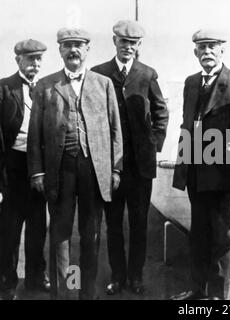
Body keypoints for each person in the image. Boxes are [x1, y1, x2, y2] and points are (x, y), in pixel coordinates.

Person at [27, 28, 123, 300]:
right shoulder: (46, 86)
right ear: (60, 50)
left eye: (78, 45)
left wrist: (115, 168)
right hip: (60, 170)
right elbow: (35, 134)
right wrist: (37, 171)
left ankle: (87, 295)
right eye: (67, 45)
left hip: (94, 171)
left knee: (91, 235)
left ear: (87, 49)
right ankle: (67, 293)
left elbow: (116, 130)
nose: (73, 50)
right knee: (61, 235)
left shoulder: (103, 84)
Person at [171, 29, 230, 300]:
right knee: (198, 234)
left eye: (213, 46)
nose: (207, 51)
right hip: (196, 173)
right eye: (202, 47)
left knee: (222, 237)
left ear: (223, 50)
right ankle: (197, 291)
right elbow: (188, 126)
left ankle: (218, 296)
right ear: (195, 52)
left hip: (224, 176)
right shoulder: (190, 83)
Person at [91, 20, 169, 295]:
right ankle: (117, 276)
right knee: (113, 225)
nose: (128, 48)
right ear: (115, 42)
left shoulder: (147, 74)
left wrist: (154, 144)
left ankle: (136, 277)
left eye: (133, 44)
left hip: (140, 168)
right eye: (123, 42)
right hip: (110, 166)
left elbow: (161, 112)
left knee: (139, 224)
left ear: (138, 47)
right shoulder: (98, 74)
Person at [0, 39, 49, 300]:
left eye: (39, 59)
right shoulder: (4, 88)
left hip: (38, 167)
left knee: (38, 227)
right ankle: (7, 281)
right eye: (30, 59)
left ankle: (35, 278)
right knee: (9, 229)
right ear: (17, 59)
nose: (35, 64)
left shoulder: (46, 88)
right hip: (12, 168)